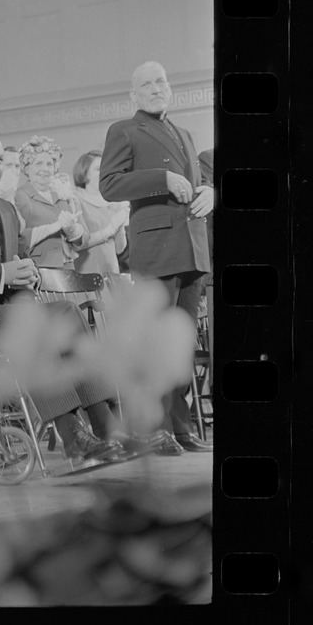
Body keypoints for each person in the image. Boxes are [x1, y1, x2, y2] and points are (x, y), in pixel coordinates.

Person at [0, 131, 161, 462]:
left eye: (0, 159)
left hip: (7, 309)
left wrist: (25, 272)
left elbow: (18, 258)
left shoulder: (3, 207)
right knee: (29, 326)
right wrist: (2, 273)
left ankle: (107, 427)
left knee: (65, 314)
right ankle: (71, 434)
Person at [99, 61, 213, 455]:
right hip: (157, 249)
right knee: (156, 347)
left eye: (160, 81)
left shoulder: (183, 132)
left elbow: (197, 183)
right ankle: (156, 430)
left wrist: (210, 193)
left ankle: (180, 428)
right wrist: (160, 179)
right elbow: (109, 186)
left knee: (180, 346)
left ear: (170, 87)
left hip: (192, 248)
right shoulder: (125, 130)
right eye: (145, 84)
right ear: (134, 95)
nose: (155, 88)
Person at [14, 136, 89, 269]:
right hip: (38, 269)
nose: (45, 169)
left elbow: (84, 239)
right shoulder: (19, 195)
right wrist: (53, 227)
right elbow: (16, 237)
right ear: (26, 168)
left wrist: (73, 231)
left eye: (49, 164)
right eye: (38, 163)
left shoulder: (63, 193)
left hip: (68, 268)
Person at [72, 150, 129, 276]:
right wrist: (110, 229)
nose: (104, 172)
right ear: (85, 173)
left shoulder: (112, 202)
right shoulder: (76, 200)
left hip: (112, 275)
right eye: (98, 169)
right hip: (87, 274)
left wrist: (120, 227)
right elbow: (79, 244)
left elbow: (119, 249)